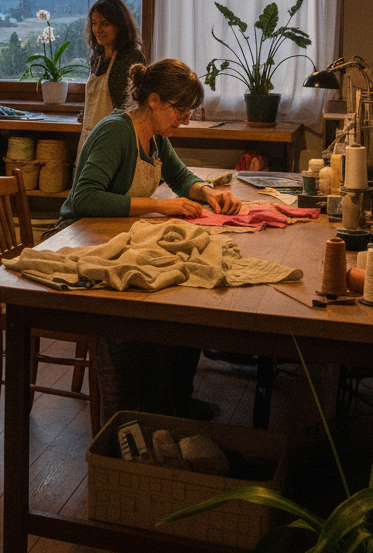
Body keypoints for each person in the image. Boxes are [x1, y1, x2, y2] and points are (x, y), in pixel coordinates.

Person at [58, 58, 241, 424]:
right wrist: (159, 205)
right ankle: (145, 409)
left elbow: (179, 175)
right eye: (181, 109)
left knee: (184, 296)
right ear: (154, 100)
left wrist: (208, 192)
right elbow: (84, 199)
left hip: (118, 240)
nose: (186, 119)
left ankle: (172, 403)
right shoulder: (117, 131)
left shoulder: (155, 137)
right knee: (164, 304)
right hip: (80, 242)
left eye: (190, 110)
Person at [77, 0, 145, 151]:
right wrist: (86, 113)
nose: (97, 29)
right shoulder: (97, 57)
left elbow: (131, 108)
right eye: (94, 23)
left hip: (115, 141)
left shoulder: (131, 57)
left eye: (104, 24)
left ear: (119, 25)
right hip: (90, 137)